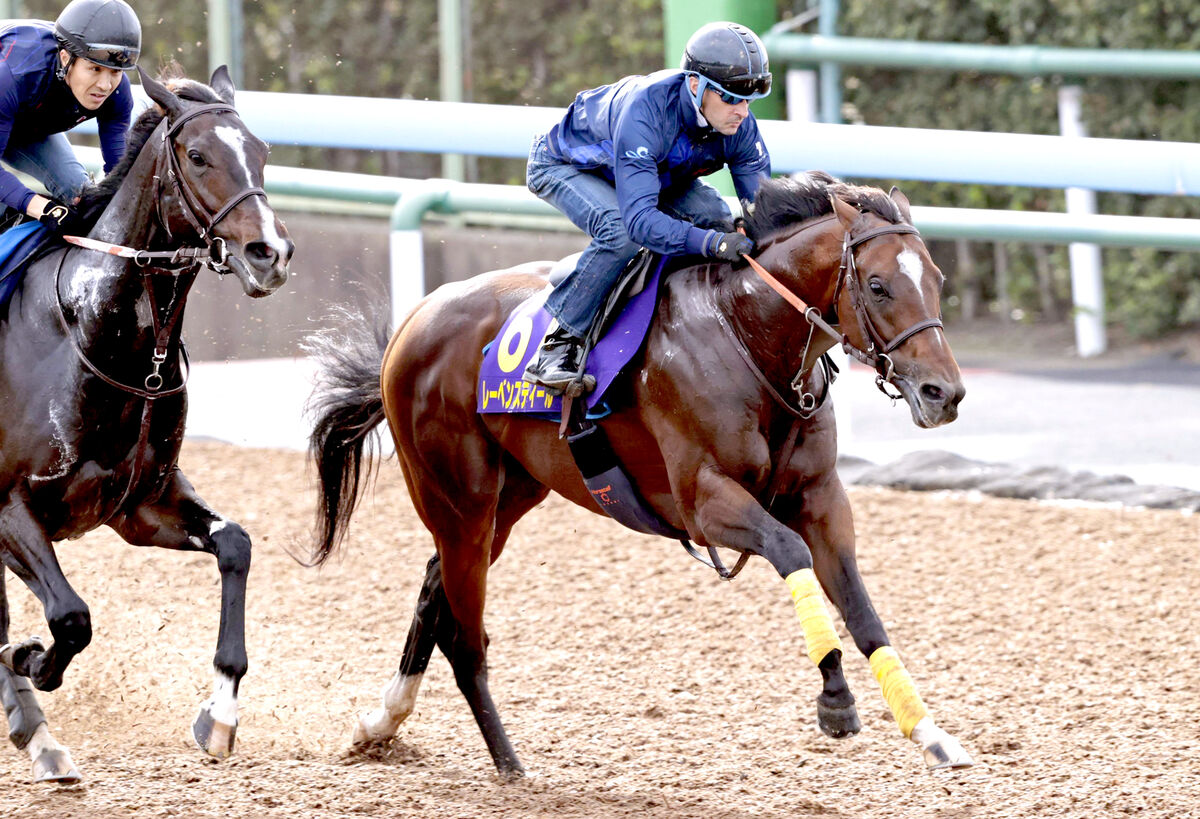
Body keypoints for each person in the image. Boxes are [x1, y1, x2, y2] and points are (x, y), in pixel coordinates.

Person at [523, 20, 773, 393]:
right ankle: (559, 343)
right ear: (695, 86)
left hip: (651, 174)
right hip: (566, 166)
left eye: (748, 99)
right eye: (730, 97)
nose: (741, 110)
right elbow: (640, 222)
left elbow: (762, 212)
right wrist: (714, 245)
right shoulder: (647, 111)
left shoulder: (740, 127)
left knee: (718, 218)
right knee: (620, 231)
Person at [0, 0, 140, 234]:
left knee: (78, 194)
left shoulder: (118, 93)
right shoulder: (13, 75)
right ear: (65, 58)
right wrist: (43, 208)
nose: (105, 85)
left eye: (115, 71)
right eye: (95, 69)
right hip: (9, 98)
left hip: (24, 122)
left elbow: (120, 177)